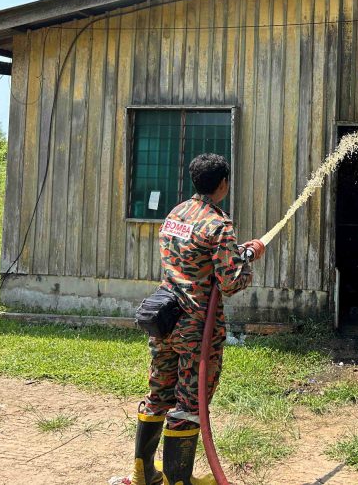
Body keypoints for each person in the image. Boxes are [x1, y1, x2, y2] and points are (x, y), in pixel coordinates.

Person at [129, 153, 265, 485]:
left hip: (163, 319)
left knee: (159, 392)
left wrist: (235, 253)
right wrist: (247, 259)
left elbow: (191, 256)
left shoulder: (176, 213)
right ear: (223, 184)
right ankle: (179, 480)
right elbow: (230, 282)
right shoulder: (219, 223)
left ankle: (143, 472)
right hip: (196, 326)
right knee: (190, 401)